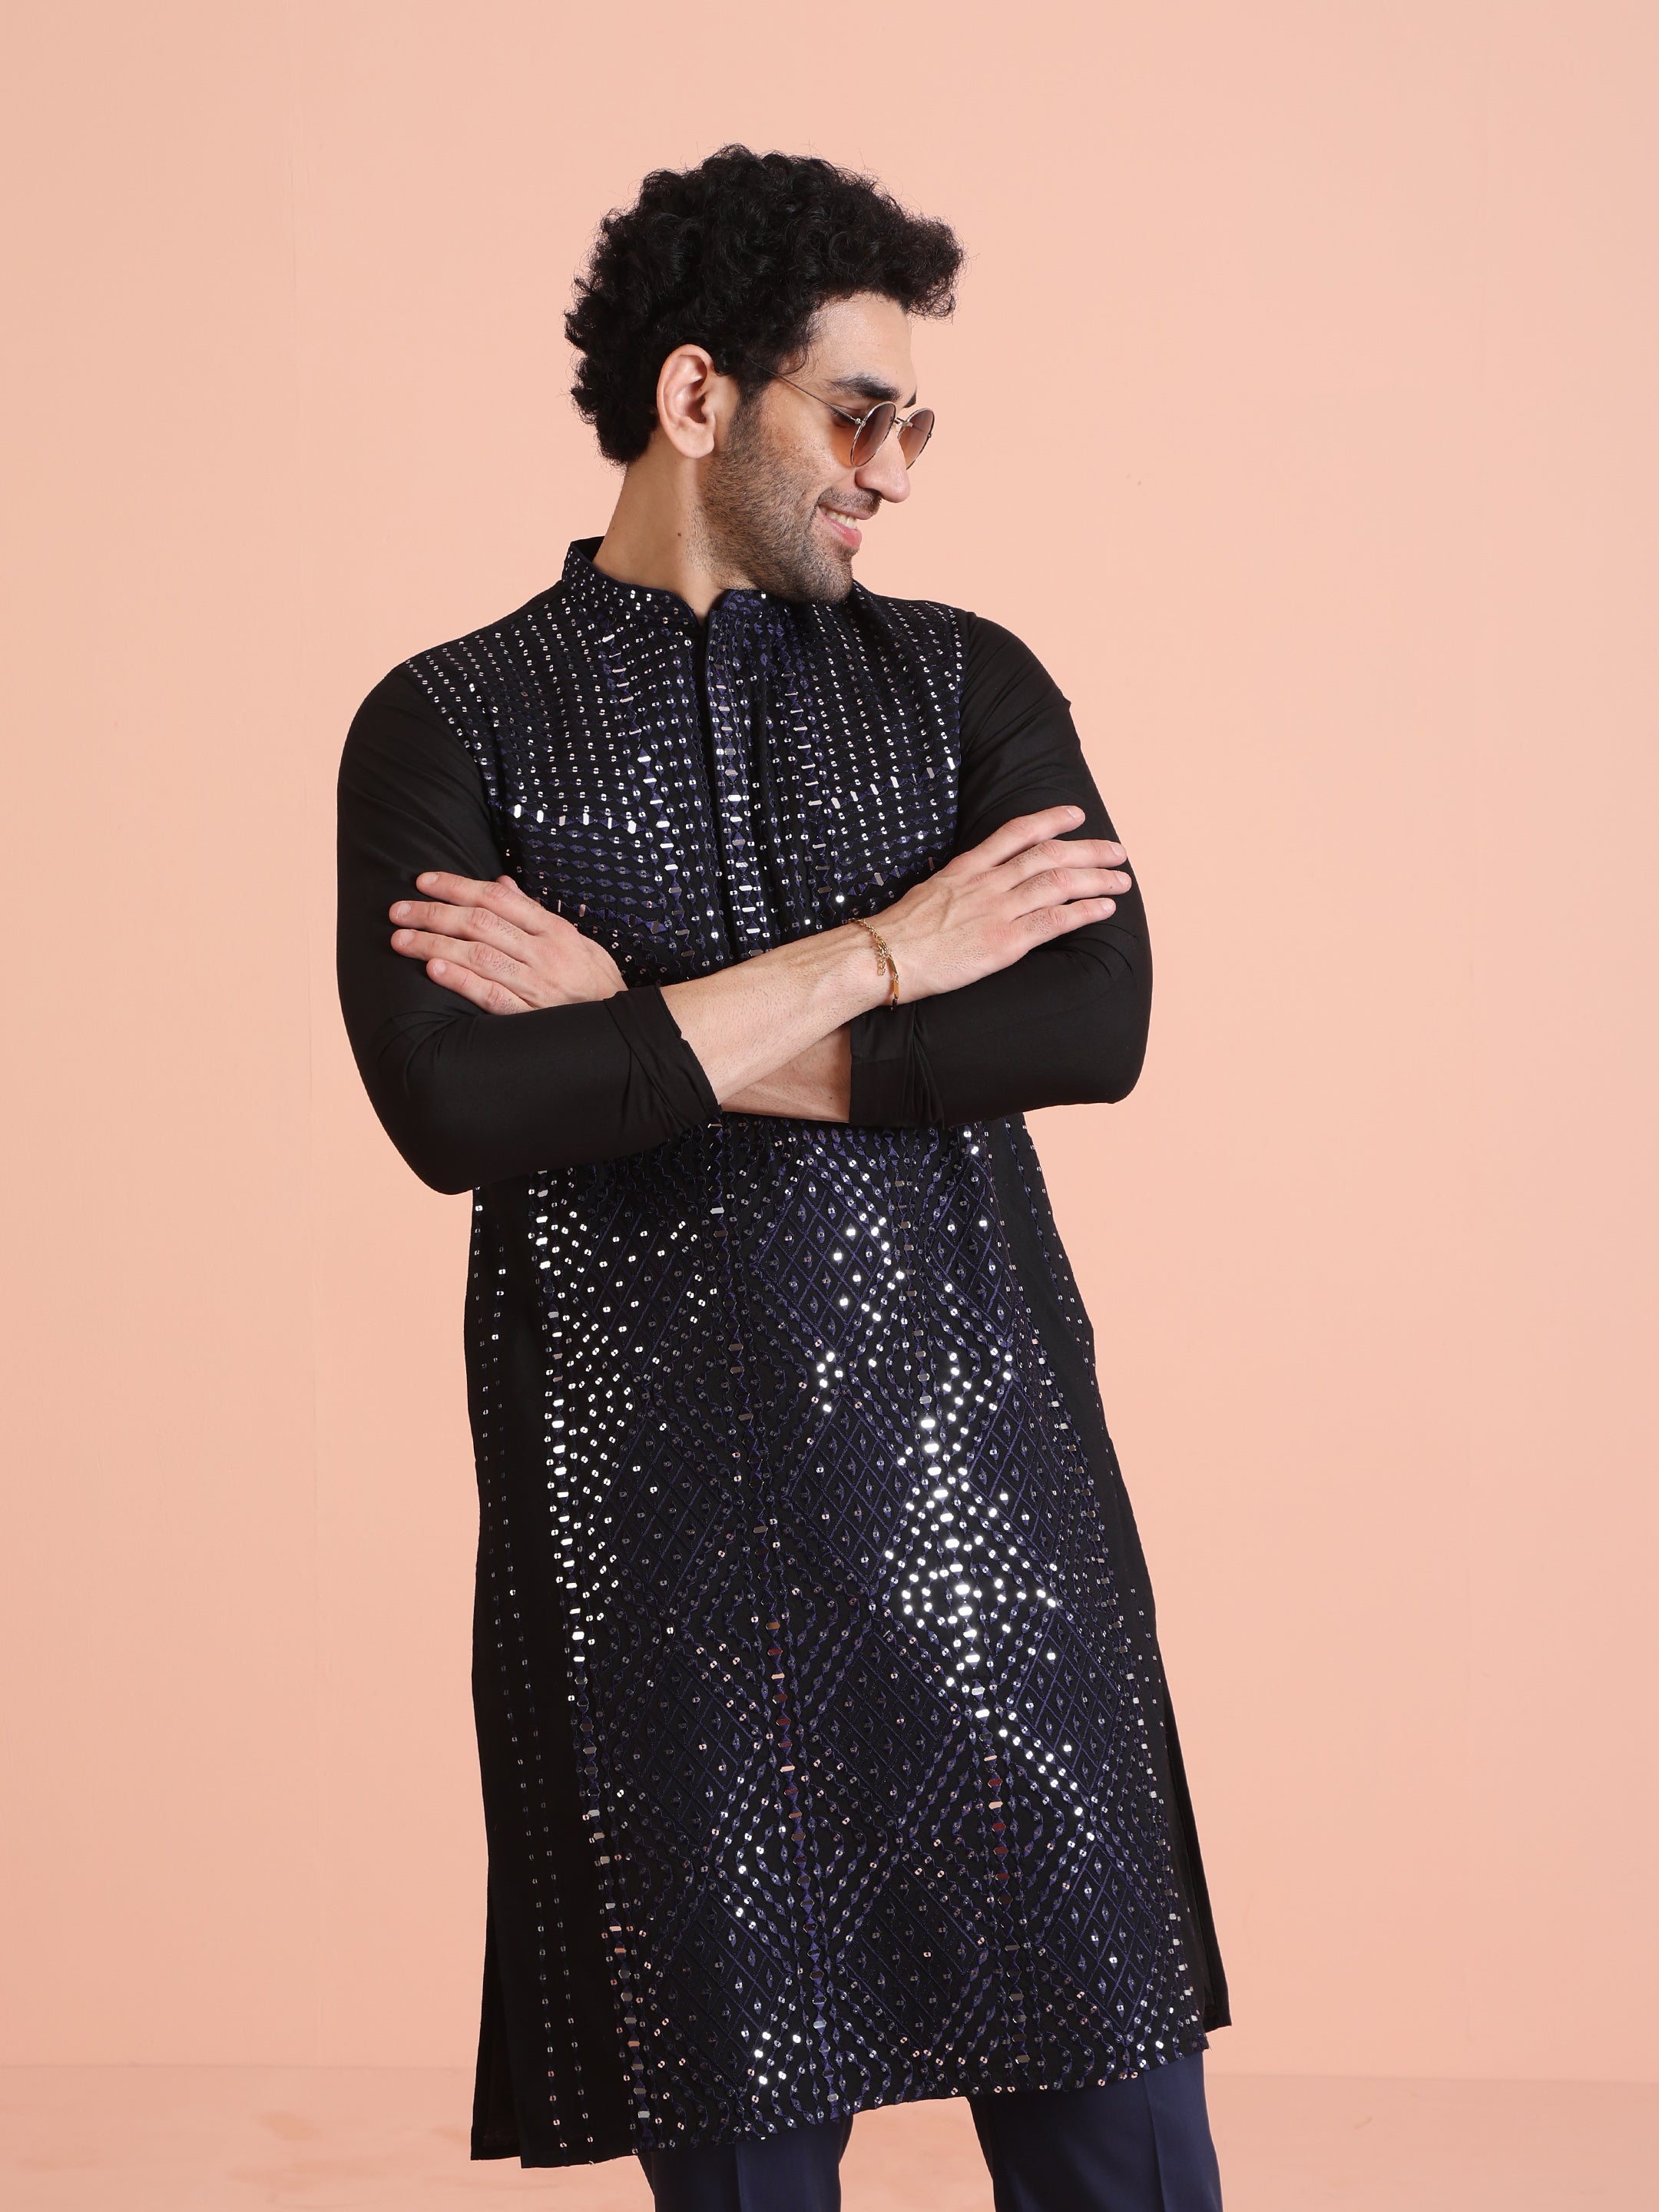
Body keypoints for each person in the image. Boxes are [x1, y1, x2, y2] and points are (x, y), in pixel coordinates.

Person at [336, 145, 1228, 2212]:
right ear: (697, 398)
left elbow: (1086, 1027)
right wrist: (887, 956)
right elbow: (461, 1110)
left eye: (918, 425)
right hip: (660, 1578)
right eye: (858, 413)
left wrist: (635, 1026)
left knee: (1128, 2162)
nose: (893, 470)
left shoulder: (967, 683)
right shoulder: (448, 725)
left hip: (994, 1539)